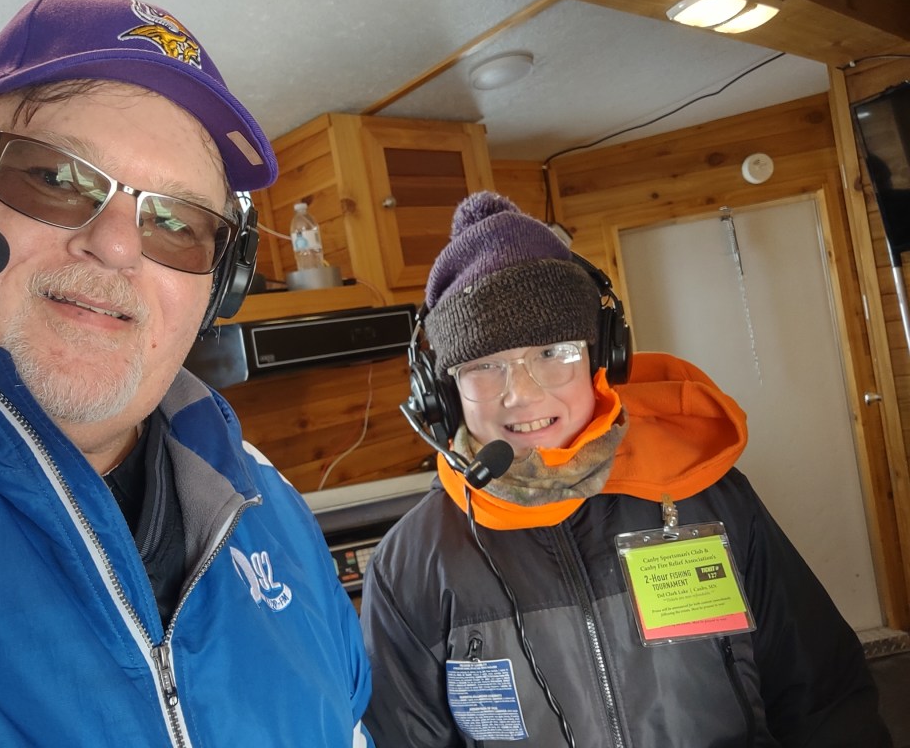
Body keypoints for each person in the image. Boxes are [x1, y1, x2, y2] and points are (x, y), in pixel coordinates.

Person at [0, 0, 373, 747]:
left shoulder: (271, 509)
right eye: (55, 178)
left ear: (220, 288)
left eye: (177, 223)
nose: (118, 246)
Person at [359, 191, 890, 747]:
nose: (521, 394)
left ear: (601, 358)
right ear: (443, 392)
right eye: (485, 365)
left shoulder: (708, 494)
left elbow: (824, 698)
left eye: (552, 353)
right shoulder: (410, 567)